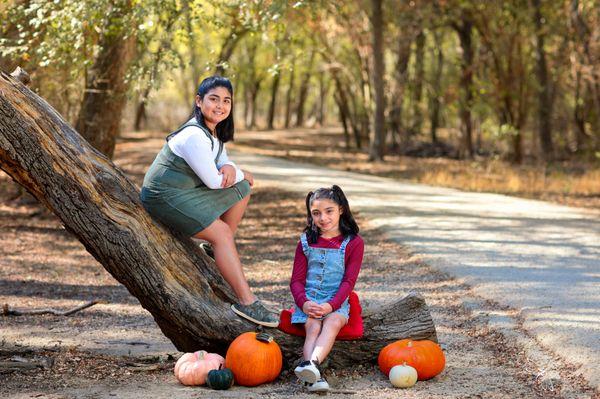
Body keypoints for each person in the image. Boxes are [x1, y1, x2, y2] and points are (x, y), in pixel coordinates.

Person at [140, 75, 278, 327]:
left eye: (226, 101)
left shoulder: (212, 134)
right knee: (224, 231)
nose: (220, 105)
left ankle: (216, 251)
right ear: (199, 101)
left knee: (243, 189)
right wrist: (241, 171)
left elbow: (222, 162)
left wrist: (230, 167)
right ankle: (247, 302)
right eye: (214, 99)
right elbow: (215, 182)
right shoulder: (194, 135)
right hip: (163, 197)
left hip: (183, 192)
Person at [289, 185, 364, 393]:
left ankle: (309, 367)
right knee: (312, 327)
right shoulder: (305, 242)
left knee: (331, 323)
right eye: (316, 213)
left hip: (335, 301)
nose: (323, 218)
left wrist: (331, 306)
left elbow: (349, 282)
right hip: (310, 300)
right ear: (310, 215)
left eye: (329, 211)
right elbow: (295, 281)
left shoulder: (353, 242)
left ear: (341, 209)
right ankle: (313, 373)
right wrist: (304, 303)